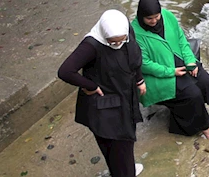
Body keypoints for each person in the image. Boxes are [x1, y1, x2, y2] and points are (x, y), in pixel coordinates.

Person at [57, 10, 146, 177]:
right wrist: (89, 85)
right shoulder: (91, 45)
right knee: (118, 144)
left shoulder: (125, 30)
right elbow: (65, 71)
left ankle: (123, 170)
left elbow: (134, 56)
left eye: (122, 40)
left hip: (125, 96)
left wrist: (139, 80)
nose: (119, 44)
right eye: (113, 43)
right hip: (105, 105)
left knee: (123, 145)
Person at [131, 0, 209, 141]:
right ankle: (206, 128)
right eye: (149, 18)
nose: (154, 21)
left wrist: (190, 60)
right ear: (141, 15)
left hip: (177, 60)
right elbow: (144, 63)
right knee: (192, 93)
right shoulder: (135, 33)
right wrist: (171, 72)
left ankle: (195, 112)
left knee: (205, 81)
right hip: (157, 74)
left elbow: (181, 39)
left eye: (156, 16)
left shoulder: (167, 16)